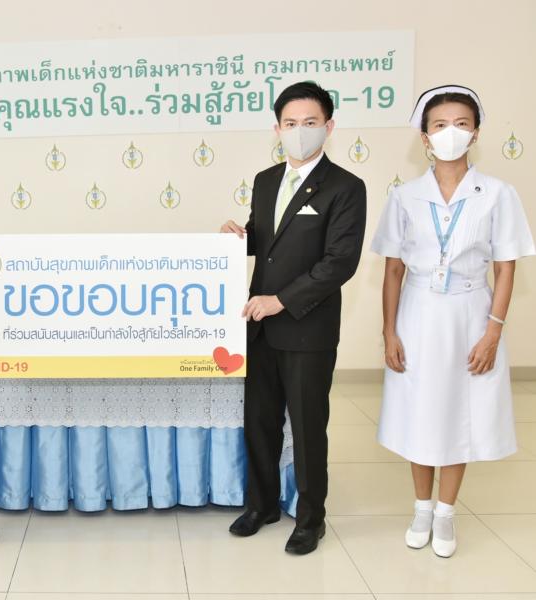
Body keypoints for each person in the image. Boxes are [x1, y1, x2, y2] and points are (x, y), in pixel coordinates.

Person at [371, 85, 535, 558]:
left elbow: (506, 268)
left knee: (459, 411)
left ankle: (446, 512)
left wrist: (493, 331)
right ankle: (421, 507)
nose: (451, 133)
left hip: (470, 311)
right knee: (421, 411)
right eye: (440, 125)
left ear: (475, 133)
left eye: (461, 124)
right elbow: (393, 270)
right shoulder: (405, 196)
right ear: (424, 137)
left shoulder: (498, 194)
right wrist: (389, 331)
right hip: (418, 312)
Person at [221, 81, 367, 555]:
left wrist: (280, 300)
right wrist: (236, 238)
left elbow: (338, 263)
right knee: (259, 423)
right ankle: (262, 505)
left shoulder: (346, 187)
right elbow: (266, 240)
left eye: (309, 122)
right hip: (259, 326)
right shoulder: (266, 180)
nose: (299, 131)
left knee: (306, 429)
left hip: (307, 327)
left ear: (329, 126)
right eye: (290, 123)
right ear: (277, 128)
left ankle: (310, 519)